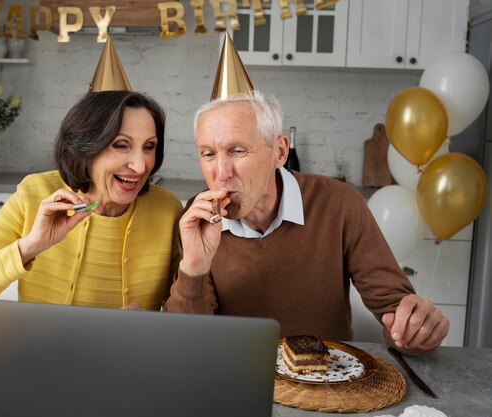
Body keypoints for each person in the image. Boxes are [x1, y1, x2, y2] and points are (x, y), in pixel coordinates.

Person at [164, 35, 449, 356]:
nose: (221, 172)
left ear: (280, 152)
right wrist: (195, 267)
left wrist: (415, 328)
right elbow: (185, 344)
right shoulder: (197, 219)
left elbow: (397, 315)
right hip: (236, 379)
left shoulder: (339, 204)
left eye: (238, 150)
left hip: (328, 383)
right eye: (208, 153)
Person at [0, 90, 183, 316]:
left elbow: (186, 321)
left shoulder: (168, 210)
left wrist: (152, 325)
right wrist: (32, 245)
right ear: (87, 146)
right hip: (40, 356)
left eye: (149, 147)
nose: (141, 166)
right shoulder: (34, 194)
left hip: (130, 358)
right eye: (121, 145)